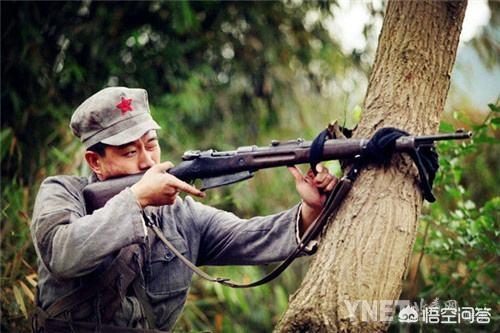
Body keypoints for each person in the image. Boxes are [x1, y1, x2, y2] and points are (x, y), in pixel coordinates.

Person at [30, 87, 337, 332]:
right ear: (95, 161)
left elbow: (254, 236)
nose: (147, 161)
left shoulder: (181, 215)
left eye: (151, 144)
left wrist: (311, 209)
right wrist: (135, 200)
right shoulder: (63, 193)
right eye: (129, 152)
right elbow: (62, 253)